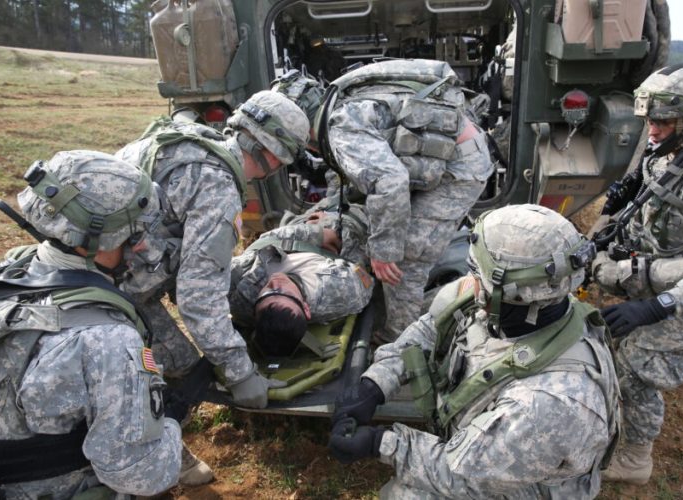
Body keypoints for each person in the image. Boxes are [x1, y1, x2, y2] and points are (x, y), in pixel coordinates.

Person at [329, 204, 619, 499]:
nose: (472, 283)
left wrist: (380, 443)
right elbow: (431, 328)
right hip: (489, 449)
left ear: (511, 291)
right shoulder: (514, 304)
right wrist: (375, 384)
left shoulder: (550, 402)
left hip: (515, 480)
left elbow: (461, 475)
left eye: (480, 276)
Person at [116, 90, 309, 484]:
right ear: (273, 156)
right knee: (178, 370)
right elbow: (198, 299)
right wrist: (240, 373)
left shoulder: (182, 139)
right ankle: (160, 451)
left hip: (98, 264)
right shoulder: (217, 186)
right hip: (115, 293)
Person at [0, 151, 182, 498]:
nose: (142, 244)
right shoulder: (107, 338)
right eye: (135, 233)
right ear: (100, 242)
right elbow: (141, 474)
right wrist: (170, 425)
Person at [591, 63, 683, 485]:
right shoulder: (672, 148)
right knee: (607, 347)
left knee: (634, 368)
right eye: (649, 120)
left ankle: (635, 459)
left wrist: (657, 307)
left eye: (662, 121)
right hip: (657, 278)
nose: (652, 131)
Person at [286, 59, 494, 344]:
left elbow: (390, 181)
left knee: (407, 257)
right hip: (448, 157)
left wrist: (384, 251)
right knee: (393, 242)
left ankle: (400, 340)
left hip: (459, 170)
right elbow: (353, 177)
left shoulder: (340, 128)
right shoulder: (340, 108)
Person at [228, 199, 374, 357]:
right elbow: (363, 271)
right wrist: (327, 230)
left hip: (300, 222)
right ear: (306, 308)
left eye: (266, 292)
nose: (275, 282)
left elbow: (265, 241)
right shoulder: (338, 290)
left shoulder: (240, 294)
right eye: (283, 291)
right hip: (344, 220)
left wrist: (316, 234)